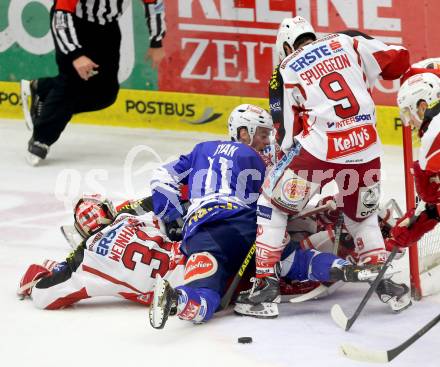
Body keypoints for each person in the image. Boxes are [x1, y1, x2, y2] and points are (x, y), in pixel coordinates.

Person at [235, 16, 412, 317]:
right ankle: (384, 281)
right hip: (366, 148)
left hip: (318, 152)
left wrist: (285, 181)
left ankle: (265, 285)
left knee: (271, 203)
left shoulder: (285, 68)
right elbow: (399, 59)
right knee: (361, 214)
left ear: (287, 46)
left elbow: (286, 135)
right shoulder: (347, 41)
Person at [20, 0, 166, 166]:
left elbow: (154, 4)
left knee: (105, 95)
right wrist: (76, 54)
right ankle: (41, 139)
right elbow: (61, 15)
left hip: (107, 29)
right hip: (74, 24)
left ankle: (44, 89)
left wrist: (157, 41)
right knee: (71, 85)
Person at [391, 69, 440, 247]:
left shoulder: (431, 139)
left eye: (407, 112)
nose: (409, 122)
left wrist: (409, 228)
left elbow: (432, 198)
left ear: (422, 106)